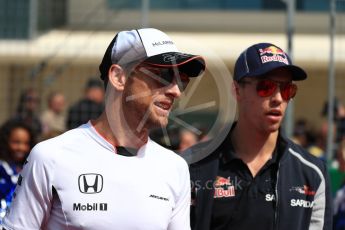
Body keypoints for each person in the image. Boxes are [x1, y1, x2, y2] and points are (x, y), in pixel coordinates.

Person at [2, 28, 205, 229]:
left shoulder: (174, 168)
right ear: (119, 77)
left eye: (181, 80)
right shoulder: (50, 156)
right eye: (163, 75)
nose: (176, 91)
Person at [189, 43, 332, 230]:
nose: (278, 98)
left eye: (287, 89)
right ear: (237, 90)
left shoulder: (312, 173)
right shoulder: (193, 165)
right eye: (266, 87)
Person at [0, 120, 35, 222]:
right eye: (16, 142)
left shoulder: (30, 167)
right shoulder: (2, 167)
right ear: (5, 141)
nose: (21, 148)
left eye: (26, 143)